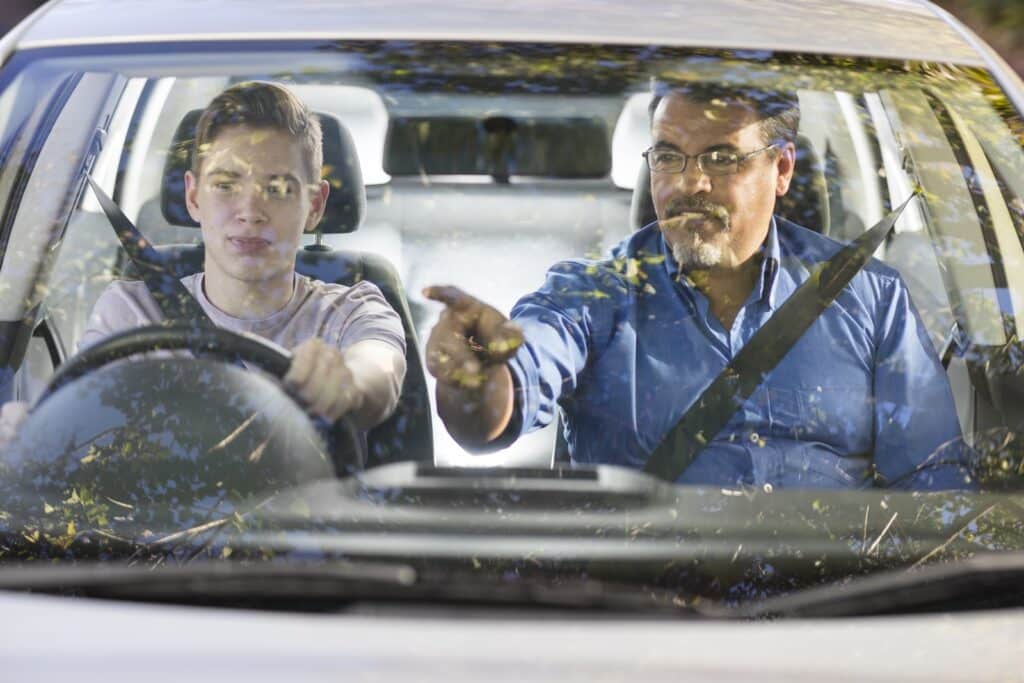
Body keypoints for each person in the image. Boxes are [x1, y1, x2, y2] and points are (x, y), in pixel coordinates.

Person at [424, 81, 973, 491]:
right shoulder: (592, 295)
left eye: (722, 157)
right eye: (668, 157)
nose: (691, 183)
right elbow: (513, 385)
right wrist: (477, 381)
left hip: (833, 615)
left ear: (781, 170)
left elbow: (932, 486)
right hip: (643, 615)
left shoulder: (871, 301)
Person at [0, 81, 407, 451]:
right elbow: (83, 419)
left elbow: (379, 368)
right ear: (194, 197)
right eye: (226, 185)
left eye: (278, 189)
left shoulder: (352, 310)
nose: (250, 211)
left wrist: (346, 382)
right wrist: (39, 437)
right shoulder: (134, 313)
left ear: (315, 204)